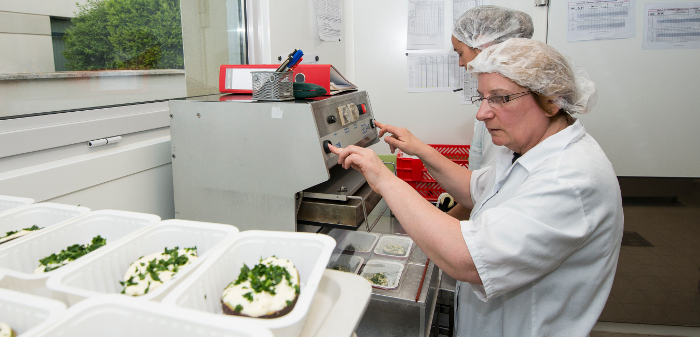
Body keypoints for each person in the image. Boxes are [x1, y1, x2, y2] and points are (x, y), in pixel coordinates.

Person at [329, 38, 623, 336]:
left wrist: (384, 180)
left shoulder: (570, 178)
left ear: (551, 99)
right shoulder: (524, 149)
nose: (482, 114)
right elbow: (476, 189)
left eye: (500, 98)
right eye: (482, 98)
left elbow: (467, 259)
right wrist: (420, 148)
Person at [449, 5, 534, 219]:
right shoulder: (500, 101)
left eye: (461, 53)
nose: (460, 63)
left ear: (483, 43)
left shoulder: (509, 114)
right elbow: (482, 186)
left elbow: (490, 194)